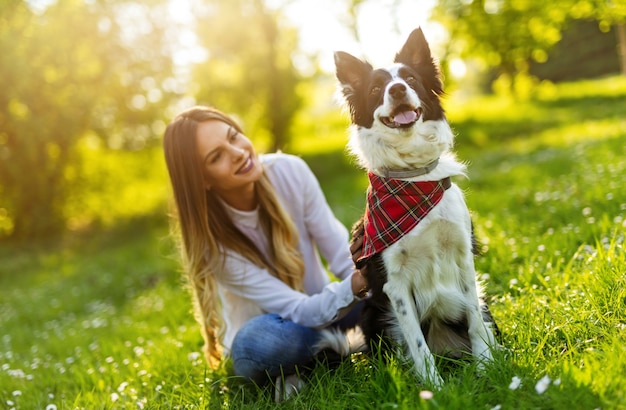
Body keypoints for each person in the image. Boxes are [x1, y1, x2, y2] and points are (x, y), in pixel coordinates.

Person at [163, 106, 368, 399]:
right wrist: (358, 284)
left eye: (233, 137)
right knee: (259, 341)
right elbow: (298, 311)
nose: (236, 152)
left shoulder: (289, 172)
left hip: (329, 309)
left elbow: (342, 257)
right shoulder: (213, 243)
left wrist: (367, 276)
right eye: (216, 156)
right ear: (202, 180)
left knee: (392, 290)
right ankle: (341, 346)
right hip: (280, 333)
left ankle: (322, 357)